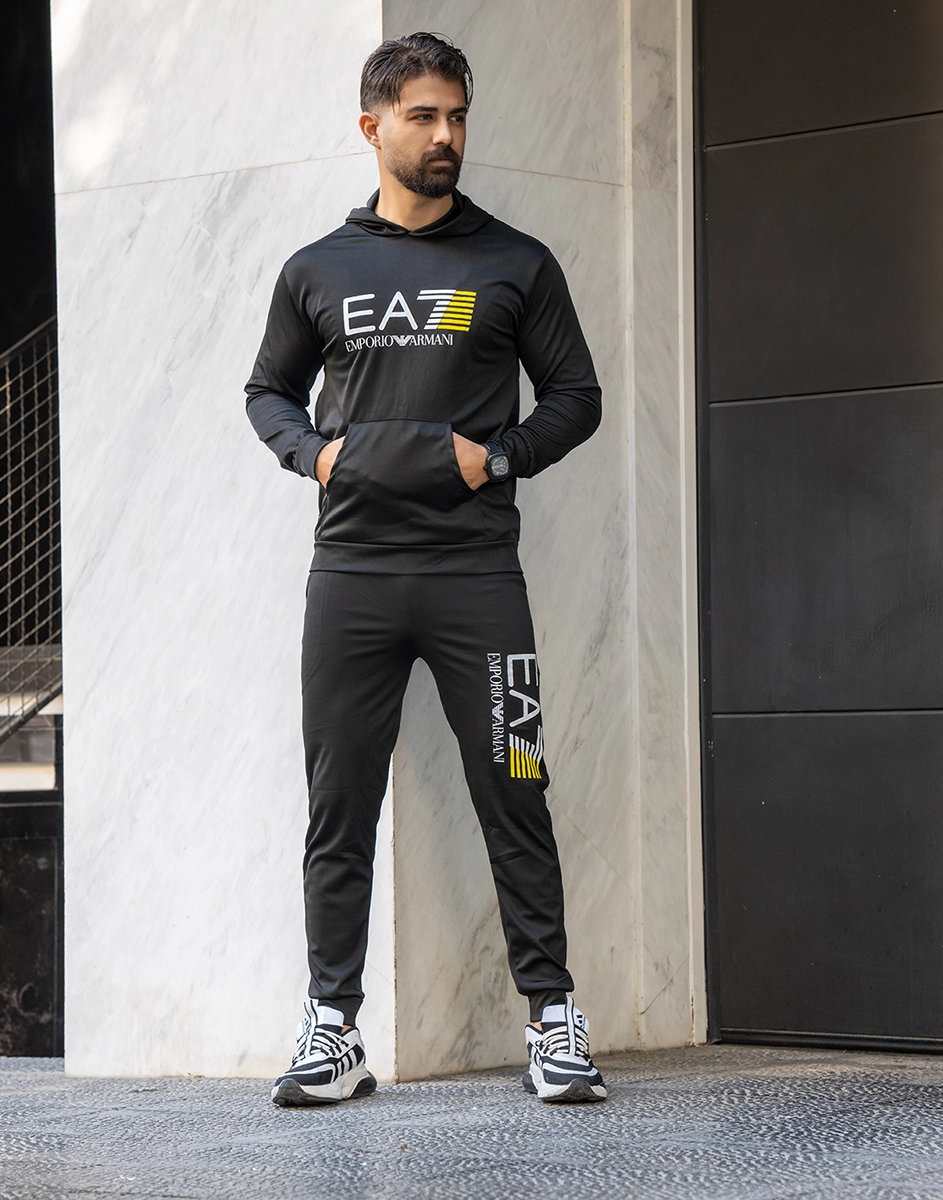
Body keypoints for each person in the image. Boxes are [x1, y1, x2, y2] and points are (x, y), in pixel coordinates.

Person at [246, 32, 604, 1107]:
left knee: (517, 785)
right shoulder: (318, 269)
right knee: (338, 804)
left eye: (457, 116)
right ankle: (332, 1029)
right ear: (373, 128)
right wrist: (316, 456)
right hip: (351, 573)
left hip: (476, 575)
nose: (446, 135)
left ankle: (552, 1020)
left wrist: (497, 457)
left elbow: (577, 397)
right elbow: (267, 393)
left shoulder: (516, 262)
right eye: (424, 117)